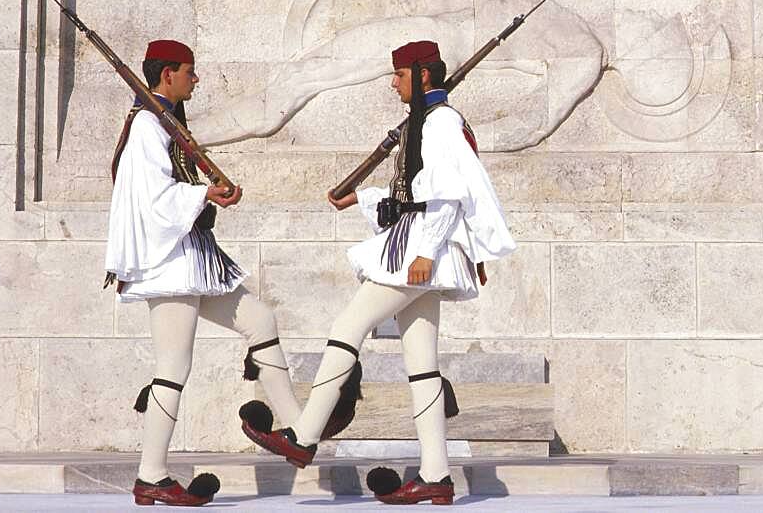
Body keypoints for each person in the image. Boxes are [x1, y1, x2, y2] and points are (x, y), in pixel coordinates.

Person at [240, 40, 516, 506]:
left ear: (422, 75)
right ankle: (436, 476)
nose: (393, 84)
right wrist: (365, 199)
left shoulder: (441, 122)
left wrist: (425, 252)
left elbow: (447, 195)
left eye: (399, 76)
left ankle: (305, 436)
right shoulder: (430, 119)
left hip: (421, 250)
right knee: (422, 363)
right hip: (420, 244)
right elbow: (413, 191)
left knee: (349, 324)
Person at [104, 39, 301, 507]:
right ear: (167, 74)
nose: (197, 79)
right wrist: (204, 196)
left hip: (192, 258)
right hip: (168, 263)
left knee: (260, 320)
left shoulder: (167, 121)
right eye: (190, 71)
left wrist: (206, 192)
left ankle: (299, 431)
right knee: (173, 366)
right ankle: (151, 475)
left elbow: (178, 182)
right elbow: (151, 197)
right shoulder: (147, 126)